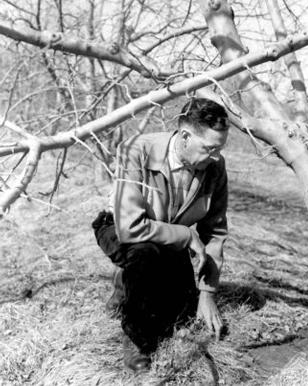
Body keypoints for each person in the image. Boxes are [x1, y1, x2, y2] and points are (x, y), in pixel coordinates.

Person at [92, 98, 229, 372]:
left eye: (220, 149)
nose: (215, 157)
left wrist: (207, 293)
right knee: (144, 256)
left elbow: (214, 230)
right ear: (186, 136)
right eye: (210, 148)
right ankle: (136, 340)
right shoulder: (136, 149)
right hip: (121, 230)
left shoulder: (215, 166)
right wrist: (187, 237)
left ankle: (125, 286)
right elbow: (130, 227)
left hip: (167, 236)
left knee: (182, 310)